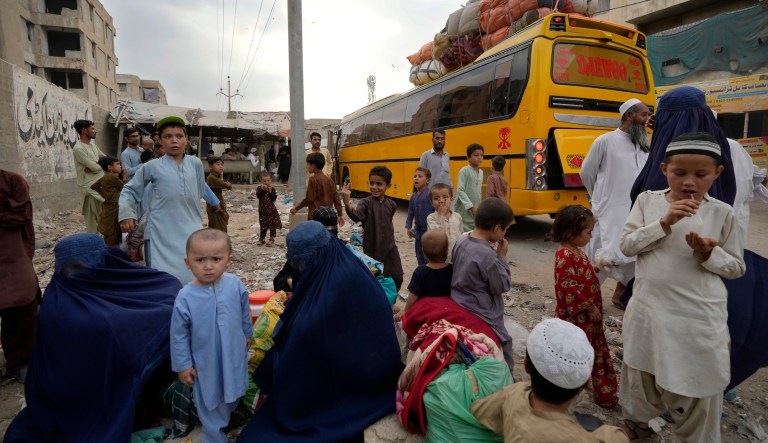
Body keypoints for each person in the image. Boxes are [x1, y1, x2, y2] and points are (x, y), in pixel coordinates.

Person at [619, 132, 745, 442]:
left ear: (717, 173)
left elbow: (736, 267)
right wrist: (662, 224)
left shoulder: (722, 213)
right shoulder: (648, 202)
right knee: (641, 377)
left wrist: (708, 252)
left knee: (699, 389)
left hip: (698, 321)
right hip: (649, 313)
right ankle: (639, 428)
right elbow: (627, 245)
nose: (689, 182)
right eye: (680, 173)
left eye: (701, 174)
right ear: (664, 170)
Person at [5, 233, 181, 442]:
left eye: (86, 263)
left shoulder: (115, 282)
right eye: (71, 267)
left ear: (105, 259)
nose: (77, 273)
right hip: (88, 397)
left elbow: (167, 288)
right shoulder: (61, 308)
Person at [237, 221, 402, 442]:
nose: (298, 267)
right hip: (379, 368)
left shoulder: (336, 286)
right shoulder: (341, 262)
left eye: (300, 262)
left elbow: (309, 334)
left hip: (363, 379)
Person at [471, 318, 629, 443]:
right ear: (585, 383)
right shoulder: (580, 438)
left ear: (526, 365)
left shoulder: (513, 393)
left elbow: (481, 411)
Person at [171, 229, 253, 443]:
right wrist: (183, 365)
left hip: (233, 354)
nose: (208, 266)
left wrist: (247, 333)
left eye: (216, 259)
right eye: (200, 260)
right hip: (206, 362)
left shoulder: (235, 284)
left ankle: (231, 414)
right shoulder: (185, 297)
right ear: (187, 262)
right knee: (210, 400)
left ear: (228, 260)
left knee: (234, 388)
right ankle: (213, 436)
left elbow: (245, 310)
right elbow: (178, 335)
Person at [119, 115, 217, 285]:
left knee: (193, 277)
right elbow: (129, 190)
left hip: (191, 229)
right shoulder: (152, 166)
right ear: (160, 140)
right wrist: (126, 213)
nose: (174, 141)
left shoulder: (195, 164)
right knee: (163, 280)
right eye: (168, 136)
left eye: (179, 136)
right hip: (161, 233)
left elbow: (200, 191)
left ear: (186, 140)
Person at [580, 98, 651, 310]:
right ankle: (584, 298)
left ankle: (620, 295)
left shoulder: (644, 145)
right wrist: (599, 197)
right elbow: (587, 172)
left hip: (635, 210)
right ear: (629, 115)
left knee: (631, 254)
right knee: (601, 254)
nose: (647, 120)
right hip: (609, 209)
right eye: (644, 115)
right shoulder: (605, 141)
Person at [551, 205, 618, 408]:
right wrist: (590, 307)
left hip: (588, 319)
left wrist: (594, 267)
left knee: (591, 351)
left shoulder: (576, 251)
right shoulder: (564, 255)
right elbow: (567, 287)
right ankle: (572, 390)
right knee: (579, 354)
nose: (590, 237)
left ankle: (598, 390)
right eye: (588, 232)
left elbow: (578, 278)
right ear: (572, 233)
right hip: (578, 320)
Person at [450, 197, 515, 370]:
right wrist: (501, 258)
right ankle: (506, 377)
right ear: (496, 228)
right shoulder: (486, 254)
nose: (505, 233)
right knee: (506, 341)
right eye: (506, 229)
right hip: (478, 308)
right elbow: (501, 285)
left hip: (458, 299)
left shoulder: (462, 240)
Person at [0, 169, 39, 383]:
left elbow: (23, 216)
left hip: (12, 254)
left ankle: (20, 362)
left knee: (22, 306)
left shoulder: (12, 181)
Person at [341, 165, 404, 291]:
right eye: (372, 183)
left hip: (390, 247)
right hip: (372, 248)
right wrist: (347, 203)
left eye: (379, 184)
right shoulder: (365, 202)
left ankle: (391, 301)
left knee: (397, 275)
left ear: (388, 186)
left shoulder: (392, 205)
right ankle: (379, 301)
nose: (374, 187)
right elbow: (356, 216)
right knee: (375, 277)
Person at [401, 230, 452, 314]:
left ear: (423, 251)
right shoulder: (451, 269)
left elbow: (413, 295)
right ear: (447, 250)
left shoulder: (420, 272)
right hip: (445, 311)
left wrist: (406, 311)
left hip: (425, 312)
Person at [290, 152, 344, 226]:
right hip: (327, 215)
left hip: (316, 216)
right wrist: (340, 214)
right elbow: (336, 198)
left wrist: (296, 208)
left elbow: (309, 199)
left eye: (307, 164)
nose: (306, 167)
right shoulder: (329, 180)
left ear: (313, 166)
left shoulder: (313, 179)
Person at [72, 119, 105, 233]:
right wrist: (97, 165)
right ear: (84, 130)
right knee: (93, 226)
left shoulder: (92, 145)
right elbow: (97, 167)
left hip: (100, 187)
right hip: (89, 190)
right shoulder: (78, 148)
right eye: (92, 129)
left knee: (105, 222)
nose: (95, 131)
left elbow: (105, 160)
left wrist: (96, 165)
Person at [91, 156, 124, 247]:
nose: (120, 166)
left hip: (109, 205)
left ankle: (112, 249)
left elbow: (93, 186)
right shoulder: (112, 177)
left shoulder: (104, 177)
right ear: (110, 167)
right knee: (113, 229)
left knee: (111, 228)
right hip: (114, 206)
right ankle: (112, 252)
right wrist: (124, 178)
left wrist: (105, 194)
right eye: (117, 164)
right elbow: (124, 188)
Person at [426, 183, 463, 263]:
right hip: (441, 260)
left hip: (458, 258)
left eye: (445, 197)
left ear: (451, 200)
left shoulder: (457, 216)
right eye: (436, 198)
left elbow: (461, 235)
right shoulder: (431, 218)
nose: (441, 201)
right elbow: (437, 236)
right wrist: (441, 215)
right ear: (431, 202)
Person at [405, 166, 434, 266]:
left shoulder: (431, 194)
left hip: (429, 230)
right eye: (415, 176)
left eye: (420, 176)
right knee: (419, 253)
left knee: (428, 254)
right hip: (418, 230)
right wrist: (408, 226)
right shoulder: (413, 196)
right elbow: (410, 212)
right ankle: (422, 269)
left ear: (428, 181)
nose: (416, 178)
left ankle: (429, 270)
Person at [454, 144, 484, 232]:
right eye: (476, 155)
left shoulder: (481, 172)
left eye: (481, 155)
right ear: (468, 157)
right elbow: (460, 190)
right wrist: (471, 206)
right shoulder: (464, 171)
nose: (479, 157)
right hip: (464, 208)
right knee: (462, 232)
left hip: (476, 207)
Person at [256, 171, 282, 245]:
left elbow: (274, 198)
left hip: (271, 210)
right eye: (264, 181)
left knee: (272, 224)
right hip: (262, 210)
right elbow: (259, 196)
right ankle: (261, 239)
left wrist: (270, 192)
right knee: (263, 224)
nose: (266, 182)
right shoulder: (259, 188)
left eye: (268, 180)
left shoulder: (272, 189)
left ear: (271, 180)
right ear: (261, 181)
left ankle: (271, 238)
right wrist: (263, 190)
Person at [206, 157, 231, 233]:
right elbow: (228, 186)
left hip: (218, 206)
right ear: (210, 166)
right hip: (215, 208)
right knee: (219, 231)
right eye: (218, 164)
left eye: (221, 164)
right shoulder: (211, 178)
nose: (220, 166)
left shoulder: (215, 177)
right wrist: (227, 184)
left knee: (218, 229)